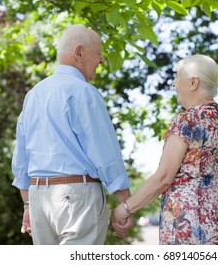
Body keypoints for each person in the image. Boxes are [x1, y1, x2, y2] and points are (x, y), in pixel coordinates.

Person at [11, 24, 133, 245]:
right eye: (99, 54)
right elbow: (105, 153)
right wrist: (125, 203)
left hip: (39, 199)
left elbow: (21, 157)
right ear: (79, 52)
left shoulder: (34, 94)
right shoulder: (84, 92)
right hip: (77, 198)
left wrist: (27, 204)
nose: (102, 61)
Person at [111, 54, 218, 245]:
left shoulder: (187, 122)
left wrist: (123, 209)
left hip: (186, 226)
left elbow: (163, 178)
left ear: (193, 83)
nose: (174, 84)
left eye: (177, 77)